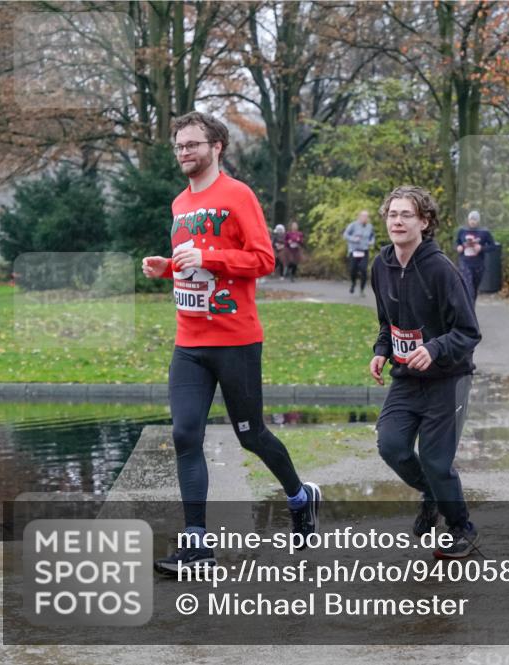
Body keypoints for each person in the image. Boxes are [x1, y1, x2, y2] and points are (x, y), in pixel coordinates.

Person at [142, 111, 319, 575]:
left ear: (216, 146)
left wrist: (210, 257)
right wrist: (170, 267)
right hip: (189, 341)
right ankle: (197, 544)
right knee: (184, 435)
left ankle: (300, 497)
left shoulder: (238, 195)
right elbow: (193, 265)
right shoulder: (179, 203)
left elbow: (264, 260)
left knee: (251, 436)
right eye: (179, 146)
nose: (185, 153)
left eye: (193, 144)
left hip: (235, 340)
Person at [369, 185, 482, 558]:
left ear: (424, 221)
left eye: (406, 215)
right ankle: (432, 493)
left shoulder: (441, 270)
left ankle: (460, 526)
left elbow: (469, 332)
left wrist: (433, 349)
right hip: (407, 377)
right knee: (391, 445)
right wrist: (382, 351)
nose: (397, 221)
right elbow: (388, 322)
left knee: (435, 460)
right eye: (392, 214)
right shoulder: (381, 265)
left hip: (447, 378)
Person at [455, 210, 495, 305]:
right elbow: (457, 243)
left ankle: (471, 308)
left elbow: (493, 246)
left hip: (478, 264)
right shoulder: (462, 231)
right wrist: (459, 247)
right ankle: (469, 312)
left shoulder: (484, 232)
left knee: (474, 288)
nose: (473, 221)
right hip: (465, 263)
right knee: (469, 289)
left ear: (478, 221)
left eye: (475, 219)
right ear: (468, 220)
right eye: (471, 219)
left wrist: (481, 248)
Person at [343, 210, 376, 295]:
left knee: (363, 270)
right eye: (364, 216)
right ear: (359, 217)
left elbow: (372, 237)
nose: (366, 218)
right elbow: (345, 235)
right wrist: (354, 239)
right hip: (354, 251)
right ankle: (353, 283)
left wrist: (371, 242)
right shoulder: (353, 225)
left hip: (364, 251)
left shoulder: (370, 226)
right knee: (353, 270)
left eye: (367, 217)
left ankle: (362, 289)